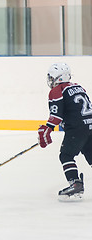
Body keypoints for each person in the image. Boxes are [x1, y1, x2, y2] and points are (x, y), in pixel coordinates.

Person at [38, 63, 92, 201]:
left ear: (58, 78)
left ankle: (75, 183)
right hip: (90, 125)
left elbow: (56, 115)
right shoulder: (79, 87)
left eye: (52, 77)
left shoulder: (57, 91)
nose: (50, 81)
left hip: (77, 128)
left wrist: (48, 129)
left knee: (66, 155)